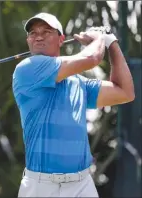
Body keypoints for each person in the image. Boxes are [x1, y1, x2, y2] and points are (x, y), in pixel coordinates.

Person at [12, 12, 135, 197]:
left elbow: (125, 92)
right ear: (28, 40)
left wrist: (112, 43)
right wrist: (99, 38)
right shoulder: (27, 69)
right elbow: (92, 58)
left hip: (81, 184)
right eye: (32, 33)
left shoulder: (79, 83)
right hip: (41, 186)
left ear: (61, 39)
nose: (38, 36)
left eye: (46, 31)